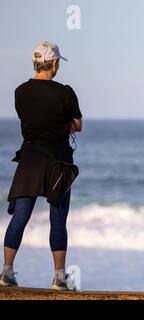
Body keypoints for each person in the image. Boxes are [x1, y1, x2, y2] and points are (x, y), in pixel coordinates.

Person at [0, 42, 82, 291]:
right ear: (54, 63)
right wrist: (65, 124)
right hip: (58, 161)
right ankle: (59, 278)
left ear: (36, 63)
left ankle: (6, 273)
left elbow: (30, 118)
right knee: (58, 220)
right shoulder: (66, 92)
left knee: (21, 216)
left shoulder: (20, 92)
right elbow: (77, 125)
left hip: (30, 159)